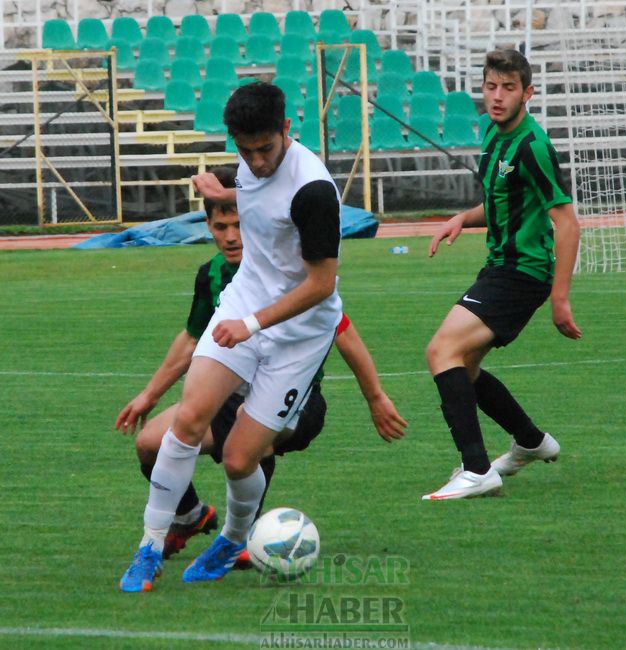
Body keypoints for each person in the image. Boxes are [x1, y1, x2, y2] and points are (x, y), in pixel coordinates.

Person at [119, 82, 402, 592]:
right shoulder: (251, 164)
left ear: (287, 131)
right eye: (244, 151)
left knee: (238, 458)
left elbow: (321, 285)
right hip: (246, 301)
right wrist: (223, 192)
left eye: (265, 149)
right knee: (187, 419)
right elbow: (255, 191)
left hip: (299, 331)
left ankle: (230, 537)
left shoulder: (314, 191)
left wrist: (249, 326)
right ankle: (149, 544)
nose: (256, 160)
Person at [422, 49, 582, 501]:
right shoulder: (494, 138)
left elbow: (567, 222)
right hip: (500, 267)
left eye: (508, 88)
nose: (497, 96)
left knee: (442, 351)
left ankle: (476, 470)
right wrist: (462, 218)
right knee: (465, 367)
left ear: (527, 93)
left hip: (522, 273)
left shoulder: (533, 147)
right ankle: (531, 441)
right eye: (491, 86)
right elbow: (502, 206)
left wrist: (560, 298)